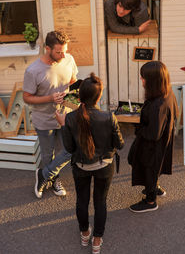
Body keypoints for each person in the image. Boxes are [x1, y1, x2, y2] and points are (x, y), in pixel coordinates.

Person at [46, 73, 124, 253]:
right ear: (100, 96)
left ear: (79, 97)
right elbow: (120, 144)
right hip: (104, 166)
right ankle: (97, 241)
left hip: (80, 166)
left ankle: (84, 234)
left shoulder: (71, 118)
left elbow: (69, 148)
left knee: (82, 201)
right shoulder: (108, 117)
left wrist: (63, 125)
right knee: (100, 202)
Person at [23, 31, 78, 198]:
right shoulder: (33, 71)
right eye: (58, 52)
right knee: (48, 154)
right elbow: (27, 97)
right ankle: (53, 179)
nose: (63, 55)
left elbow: (73, 81)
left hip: (66, 115)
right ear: (47, 49)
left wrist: (71, 99)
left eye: (65, 51)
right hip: (44, 119)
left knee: (70, 149)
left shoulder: (68, 59)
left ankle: (43, 174)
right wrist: (50, 98)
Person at [128, 61, 178, 213]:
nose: (141, 80)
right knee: (154, 168)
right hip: (163, 142)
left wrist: (137, 125)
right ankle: (155, 187)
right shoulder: (168, 93)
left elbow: (153, 133)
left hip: (153, 145)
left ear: (153, 81)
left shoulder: (157, 105)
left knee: (149, 168)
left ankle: (150, 201)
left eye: (144, 78)